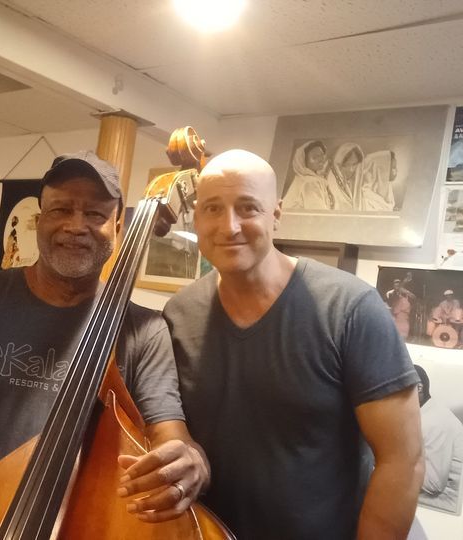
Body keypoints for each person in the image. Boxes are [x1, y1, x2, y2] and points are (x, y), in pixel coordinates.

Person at [0, 151, 209, 538]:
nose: (76, 226)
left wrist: (189, 460)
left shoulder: (144, 331)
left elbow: (169, 434)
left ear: (118, 227)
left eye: (95, 214)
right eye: (61, 209)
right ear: (40, 219)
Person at [163, 149, 423, 539]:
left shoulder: (350, 308)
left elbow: (403, 460)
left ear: (276, 214)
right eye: (212, 208)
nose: (229, 226)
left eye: (248, 208)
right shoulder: (179, 313)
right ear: (197, 217)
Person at [414, 365, 463, 513]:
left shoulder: (434, 421)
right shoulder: (429, 412)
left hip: (443, 507)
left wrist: (390, 463)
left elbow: (433, 485)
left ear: (419, 388)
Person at [281, 140, 333, 210]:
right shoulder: (310, 182)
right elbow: (319, 211)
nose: (321, 159)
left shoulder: (301, 179)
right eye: (315, 157)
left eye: (322, 155)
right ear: (304, 160)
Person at [326, 142, 365, 211]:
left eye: (354, 164)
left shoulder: (358, 181)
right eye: (346, 165)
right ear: (339, 164)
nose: (351, 169)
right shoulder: (331, 181)